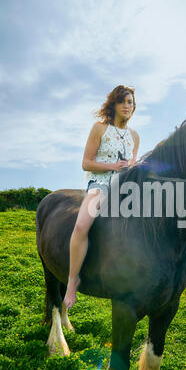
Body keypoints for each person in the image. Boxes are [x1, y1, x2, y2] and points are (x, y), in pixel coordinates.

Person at [64, 85, 140, 309]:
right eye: (124, 101)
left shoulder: (135, 136)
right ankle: (72, 280)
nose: (128, 106)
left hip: (125, 188)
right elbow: (86, 163)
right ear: (114, 104)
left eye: (131, 103)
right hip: (100, 184)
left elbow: (131, 166)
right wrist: (113, 166)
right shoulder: (99, 128)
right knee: (81, 226)